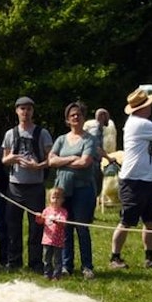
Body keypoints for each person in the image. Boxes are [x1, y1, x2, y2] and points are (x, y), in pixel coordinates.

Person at [108, 90, 152, 269]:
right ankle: (114, 257)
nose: (151, 107)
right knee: (127, 221)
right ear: (143, 108)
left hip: (147, 179)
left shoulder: (141, 123)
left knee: (150, 220)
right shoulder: (139, 124)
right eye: (149, 105)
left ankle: (149, 257)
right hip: (134, 180)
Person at [0, 97, 53, 272]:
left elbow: (51, 159)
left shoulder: (42, 133)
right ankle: (14, 261)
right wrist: (12, 158)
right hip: (15, 186)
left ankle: (36, 262)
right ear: (16, 111)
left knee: (36, 226)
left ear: (33, 111)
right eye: (22, 108)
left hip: (35, 186)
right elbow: (4, 159)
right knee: (13, 226)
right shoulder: (10, 134)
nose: (25, 112)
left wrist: (38, 166)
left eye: (29, 109)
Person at [49, 101, 101, 279]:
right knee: (65, 227)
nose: (76, 117)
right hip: (63, 190)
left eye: (78, 114)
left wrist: (62, 161)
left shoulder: (90, 139)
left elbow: (85, 162)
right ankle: (66, 265)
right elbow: (51, 161)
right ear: (67, 120)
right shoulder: (61, 139)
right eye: (72, 115)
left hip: (83, 190)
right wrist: (72, 157)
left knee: (81, 228)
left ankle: (87, 266)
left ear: (83, 117)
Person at [37, 186, 70, 280]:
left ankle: (57, 275)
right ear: (49, 199)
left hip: (58, 241)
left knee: (57, 260)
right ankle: (47, 274)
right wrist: (39, 217)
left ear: (62, 200)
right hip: (47, 240)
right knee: (47, 259)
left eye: (58, 198)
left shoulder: (63, 212)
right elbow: (40, 222)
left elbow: (63, 223)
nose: (55, 200)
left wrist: (57, 221)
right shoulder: (46, 211)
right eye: (53, 197)